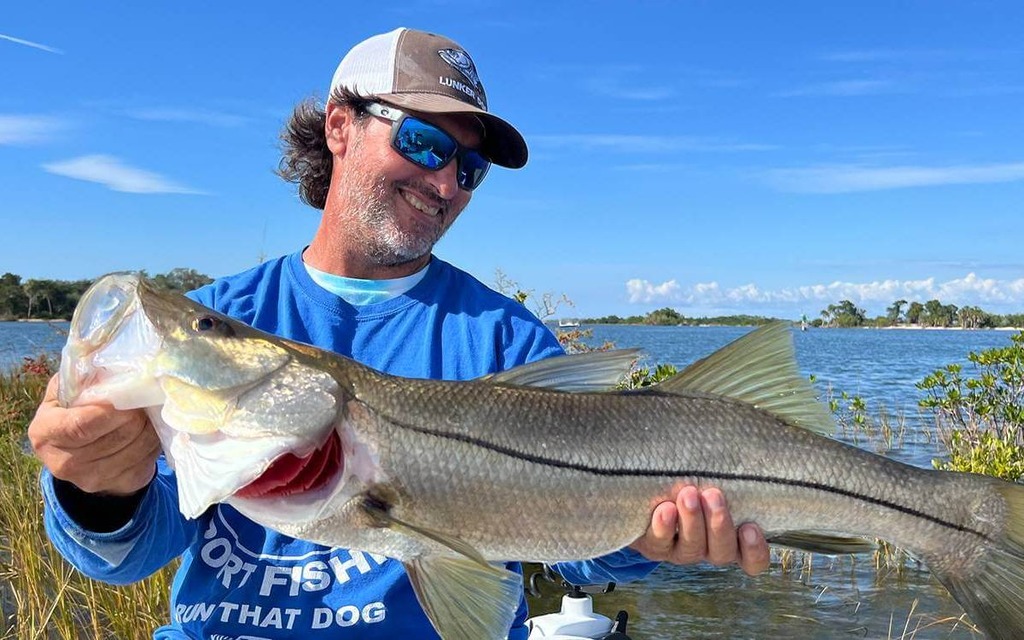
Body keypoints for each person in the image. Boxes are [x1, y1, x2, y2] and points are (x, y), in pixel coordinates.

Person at [29, 27, 769, 639]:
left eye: (470, 167)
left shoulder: (505, 338)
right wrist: (100, 488)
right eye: (422, 142)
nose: (446, 183)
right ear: (340, 127)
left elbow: (574, 561)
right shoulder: (224, 319)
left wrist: (649, 540)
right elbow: (129, 554)